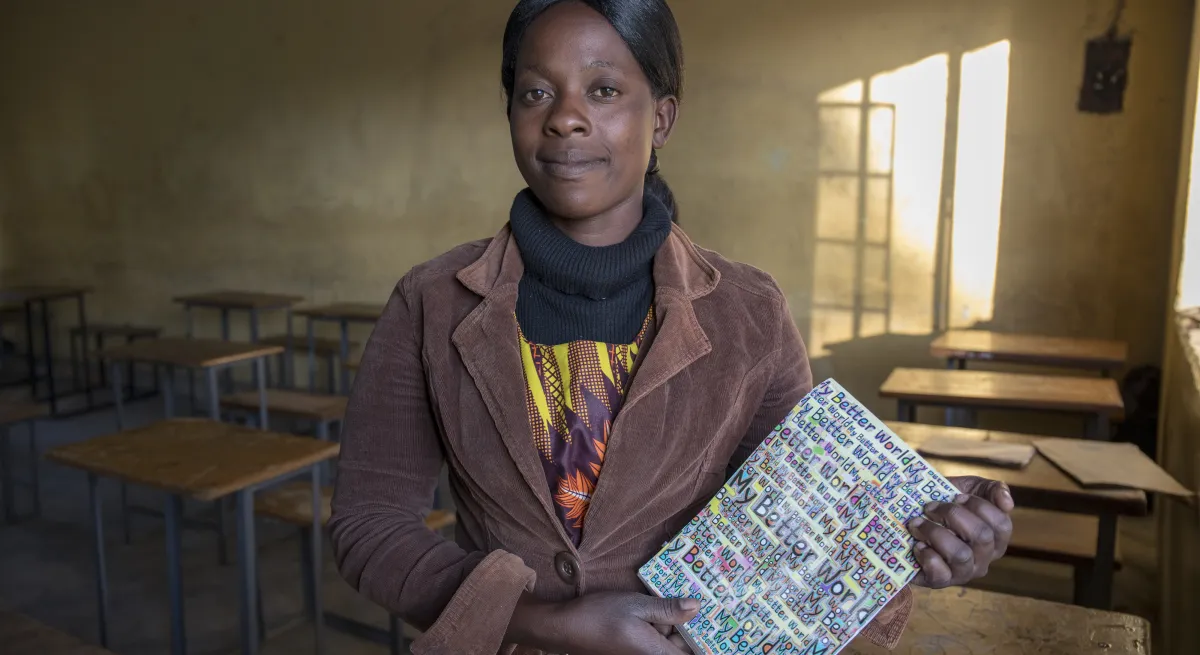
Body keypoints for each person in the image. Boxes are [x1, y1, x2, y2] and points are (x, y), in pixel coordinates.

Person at [329, 1, 1015, 653]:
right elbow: (370, 525)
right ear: (508, 109)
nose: (565, 119)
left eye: (603, 91)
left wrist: (910, 530)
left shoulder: (750, 312)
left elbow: (800, 521)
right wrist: (552, 621)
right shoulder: (431, 302)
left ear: (661, 117)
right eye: (537, 92)